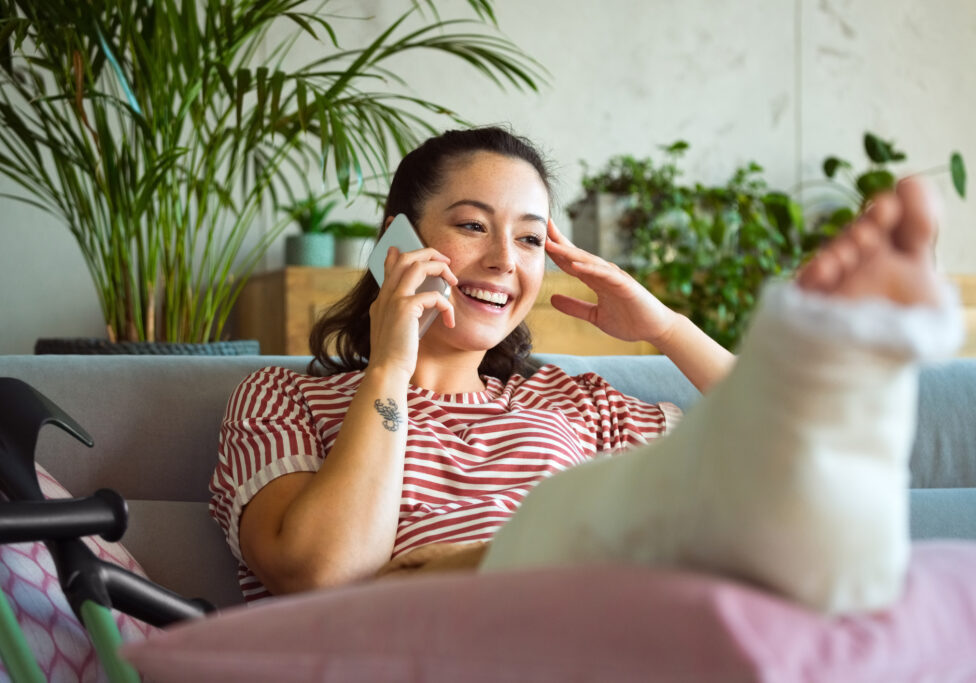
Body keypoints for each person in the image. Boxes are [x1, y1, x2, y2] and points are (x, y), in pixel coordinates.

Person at [209, 126, 962, 614]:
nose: (505, 259)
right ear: (395, 241)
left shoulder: (575, 402)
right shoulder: (282, 397)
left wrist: (665, 327)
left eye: (531, 240)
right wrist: (390, 368)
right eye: (472, 225)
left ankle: (832, 360)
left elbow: (783, 447)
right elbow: (320, 572)